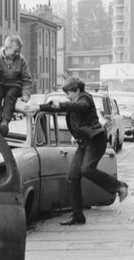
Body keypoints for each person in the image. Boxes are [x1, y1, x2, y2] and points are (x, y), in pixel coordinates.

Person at [38, 77, 129, 226]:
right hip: (84, 143)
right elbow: (70, 112)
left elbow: (80, 106)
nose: (68, 97)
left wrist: (62, 104)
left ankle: (119, 186)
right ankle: (78, 216)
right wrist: (39, 108)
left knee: (87, 169)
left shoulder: (85, 98)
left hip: (96, 141)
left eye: (69, 93)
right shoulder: (76, 101)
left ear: (77, 90)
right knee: (73, 176)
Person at [0, 35, 33, 136]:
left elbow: (27, 79)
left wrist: (25, 95)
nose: (17, 53)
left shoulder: (21, 60)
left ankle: (5, 122)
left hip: (14, 85)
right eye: (15, 51)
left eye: (19, 51)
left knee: (10, 95)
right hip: (0, 83)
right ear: (7, 48)